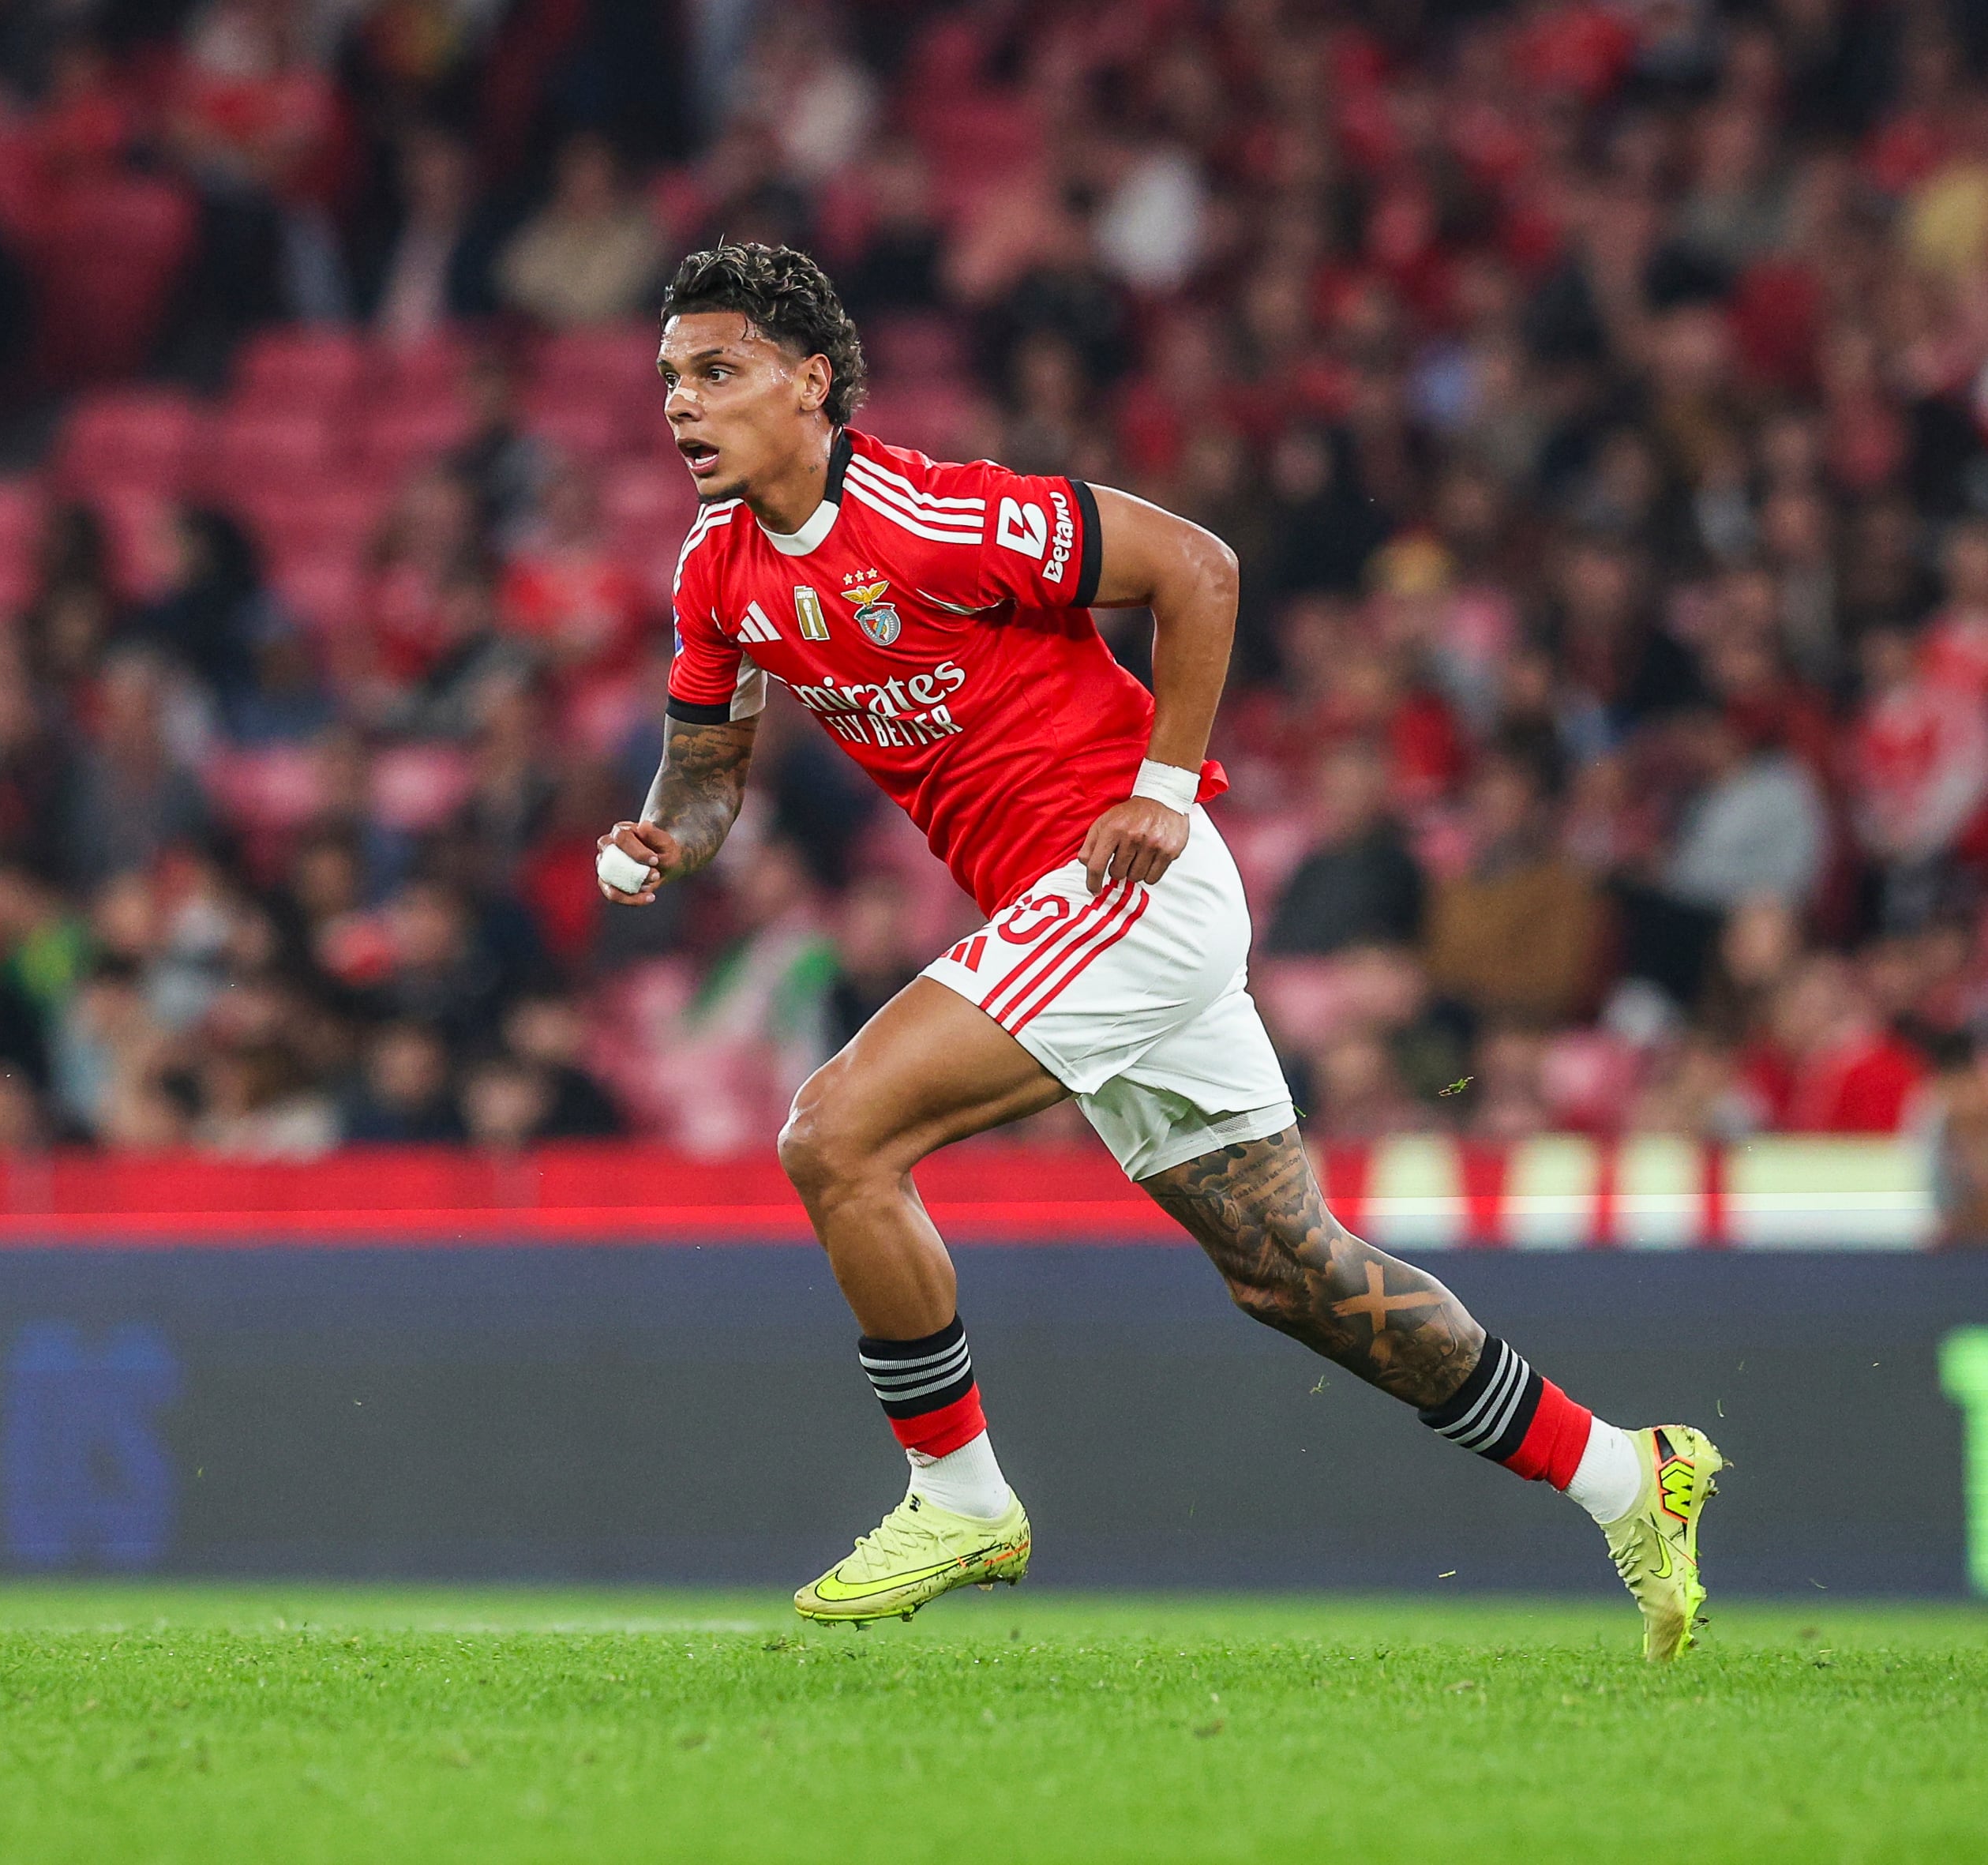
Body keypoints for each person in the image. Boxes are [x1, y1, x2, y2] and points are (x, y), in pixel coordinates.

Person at [599, 243, 1720, 1657]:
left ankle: (958, 1492)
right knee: (1286, 1269)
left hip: (1126, 881)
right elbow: (704, 774)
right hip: (1059, 917)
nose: (682, 407)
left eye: (719, 372)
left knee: (835, 1136)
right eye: (669, 382)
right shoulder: (718, 571)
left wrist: (1166, 785)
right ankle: (1630, 1473)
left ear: (812, 382)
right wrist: (661, 839)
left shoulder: (941, 513)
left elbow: (1199, 566)